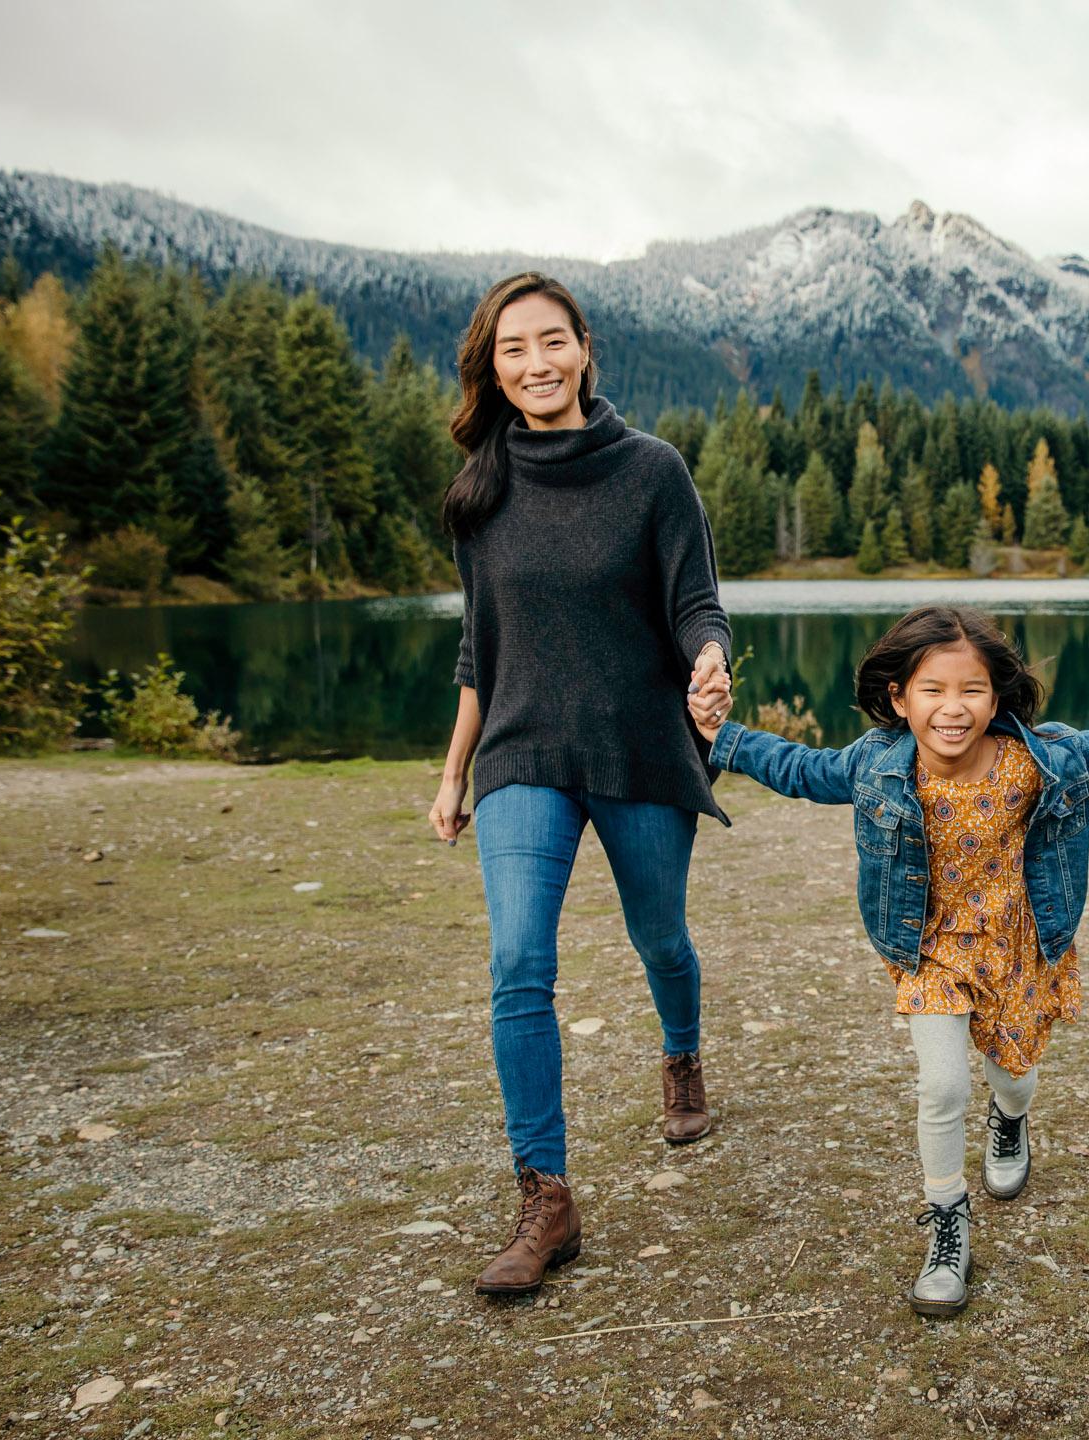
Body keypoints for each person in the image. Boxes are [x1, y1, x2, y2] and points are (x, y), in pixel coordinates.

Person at [689, 607, 1089, 1316]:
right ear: (900, 699)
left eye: (971, 689)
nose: (953, 708)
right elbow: (800, 768)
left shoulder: (1036, 757)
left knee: (1014, 1078)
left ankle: (1009, 1117)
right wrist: (722, 737)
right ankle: (947, 1223)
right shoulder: (875, 762)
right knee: (940, 1087)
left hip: (1017, 949)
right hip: (928, 953)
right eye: (932, 690)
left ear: (996, 697)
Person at [426, 271, 734, 1296]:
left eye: (551, 343)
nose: (535, 365)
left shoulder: (652, 472)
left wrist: (707, 661)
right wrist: (453, 769)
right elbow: (481, 649)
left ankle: (681, 1055)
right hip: (524, 754)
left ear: (586, 348)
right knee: (518, 961)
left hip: (640, 746)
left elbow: (697, 603)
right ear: (493, 366)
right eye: (512, 350)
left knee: (660, 937)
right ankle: (545, 1199)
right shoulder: (481, 490)